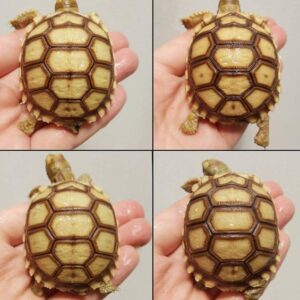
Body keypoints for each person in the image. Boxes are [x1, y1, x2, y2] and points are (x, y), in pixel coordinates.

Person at [154, 18, 287, 149]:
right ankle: (263, 121)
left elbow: (188, 22)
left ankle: (195, 115)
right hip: (253, 103)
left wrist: (191, 22)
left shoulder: (207, 21)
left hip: (210, 100)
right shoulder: (257, 23)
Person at [154, 181, 294, 300]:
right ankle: (257, 284)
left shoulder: (204, 186)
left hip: (208, 267)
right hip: (253, 267)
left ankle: (205, 282)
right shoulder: (255, 188)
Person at [0, 29, 138, 149]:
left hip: (47, 102)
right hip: (87, 104)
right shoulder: (93, 24)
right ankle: (37, 118)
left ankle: (35, 118)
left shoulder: (40, 25)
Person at [0, 200, 151, 299]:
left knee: (37, 288)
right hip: (92, 272)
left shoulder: (43, 197)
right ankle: (101, 283)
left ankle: (40, 285)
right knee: (106, 285)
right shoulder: (92, 194)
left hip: (51, 272)